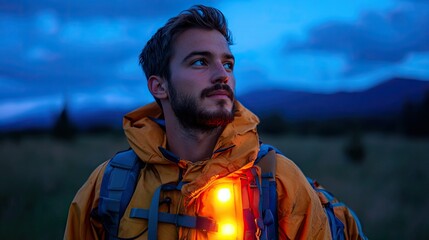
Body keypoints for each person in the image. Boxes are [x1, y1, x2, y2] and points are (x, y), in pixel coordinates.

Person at [64, 5, 332, 239]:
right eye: (200, 62)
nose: (222, 76)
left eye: (228, 65)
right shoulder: (109, 186)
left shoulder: (280, 183)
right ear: (159, 86)